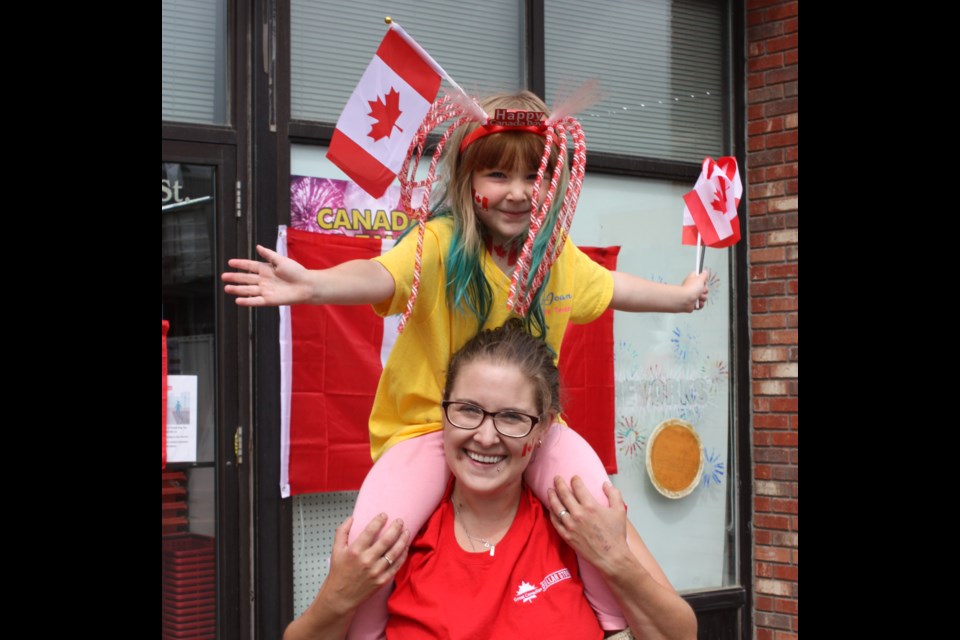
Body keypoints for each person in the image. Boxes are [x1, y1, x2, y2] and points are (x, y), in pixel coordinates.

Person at [223, 90, 709, 637]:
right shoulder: (439, 244)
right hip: (426, 430)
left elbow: (617, 287)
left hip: (534, 430)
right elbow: (379, 275)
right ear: (468, 181)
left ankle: (613, 621)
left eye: (535, 176)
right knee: (375, 534)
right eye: (498, 174)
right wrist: (313, 285)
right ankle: (366, 628)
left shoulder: (559, 261)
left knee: (595, 502)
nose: (518, 193)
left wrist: (682, 296)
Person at [283, 322, 697, 639]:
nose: (485, 436)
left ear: (542, 428)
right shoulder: (401, 538)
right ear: (443, 412)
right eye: (467, 410)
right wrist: (339, 594)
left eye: (511, 417)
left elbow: (681, 634)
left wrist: (614, 560)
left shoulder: (578, 524)